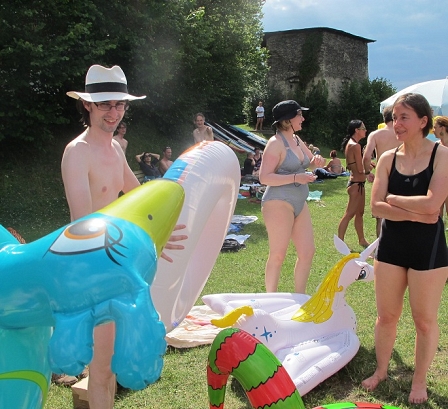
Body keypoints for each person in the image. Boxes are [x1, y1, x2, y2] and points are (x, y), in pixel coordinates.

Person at [62, 64, 186, 409]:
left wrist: (161, 230)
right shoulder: (78, 152)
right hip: (95, 268)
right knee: (101, 368)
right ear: (87, 105)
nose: (113, 112)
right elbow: (81, 226)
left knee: (113, 362)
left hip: (118, 265)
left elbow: (138, 200)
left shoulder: (116, 149)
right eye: (105, 105)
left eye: (119, 104)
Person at [361, 93, 448, 404]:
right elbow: (375, 207)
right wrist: (415, 210)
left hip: (429, 249)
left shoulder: (442, 156)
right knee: (386, 316)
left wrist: (394, 201)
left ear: (423, 121)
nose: (396, 124)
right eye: (394, 117)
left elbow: (433, 204)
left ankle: (419, 382)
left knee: (424, 320)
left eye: (403, 117)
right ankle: (381, 370)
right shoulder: (387, 159)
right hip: (392, 247)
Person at [259, 100, 325, 293]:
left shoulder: (296, 139)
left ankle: (299, 298)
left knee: (307, 251)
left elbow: (311, 162)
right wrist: (297, 177)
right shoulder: (275, 144)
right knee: (278, 255)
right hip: (278, 202)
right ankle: (270, 300)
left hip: (299, 201)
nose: (303, 118)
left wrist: (317, 162)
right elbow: (264, 178)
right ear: (288, 120)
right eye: (299, 115)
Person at [362, 105, 401, 236]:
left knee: (380, 215)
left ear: (384, 118)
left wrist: (367, 172)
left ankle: (381, 247)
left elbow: (367, 156)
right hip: (401, 175)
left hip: (382, 176)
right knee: (400, 213)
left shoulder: (376, 134)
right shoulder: (402, 134)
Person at [337, 120, 370, 248]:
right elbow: (361, 169)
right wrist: (368, 170)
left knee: (359, 213)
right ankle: (340, 242)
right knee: (349, 213)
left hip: (358, 184)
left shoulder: (353, 144)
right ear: (357, 130)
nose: (365, 130)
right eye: (363, 128)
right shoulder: (355, 146)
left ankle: (362, 240)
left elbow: (357, 166)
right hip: (356, 184)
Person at [433, 116, 448, 220]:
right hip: (438, 184)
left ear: (442, 128)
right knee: (437, 215)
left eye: (435, 127)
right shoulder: (435, 146)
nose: (433, 130)